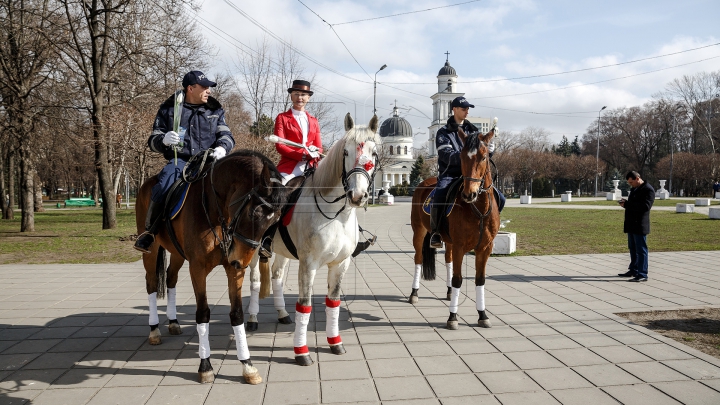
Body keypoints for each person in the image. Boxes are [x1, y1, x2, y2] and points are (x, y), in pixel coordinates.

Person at [258, 79, 372, 258]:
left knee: (340, 192)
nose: (300, 97)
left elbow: (318, 146)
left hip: (312, 166)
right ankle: (268, 237)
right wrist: (303, 154)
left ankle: (355, 235)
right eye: (296, 94)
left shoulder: (313, 120)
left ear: (308, 98)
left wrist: (315, 152)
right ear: (291, 96)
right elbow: (280, 146)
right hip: (290, 167)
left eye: (303, 95)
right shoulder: (282, 118)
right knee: (278, 195)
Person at [134, 71, 235, 253]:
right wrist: (163, 139)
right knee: (164, 184)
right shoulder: (169, 109)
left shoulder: (215, 110)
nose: (208, 91)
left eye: (209, 88)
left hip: (209, 161)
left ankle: (237, 235)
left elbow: (227, 135)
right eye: (204, 87)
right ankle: (150, 232)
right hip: (180, 161)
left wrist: (222, 148)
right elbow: (153, 140)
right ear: (190, 88)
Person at [429, 96, 504, 249]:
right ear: (454, 109)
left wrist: (489, 150)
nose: (467, 112)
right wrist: (466, 157)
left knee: (500, 198)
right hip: (450, 173)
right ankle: (436, 232)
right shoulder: (443, 132)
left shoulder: (474, 130)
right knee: (439, 194)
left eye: (468, 109)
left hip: (473, 175)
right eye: (464, 109)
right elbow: (445, 155)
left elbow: (482, 156)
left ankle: (491, 226)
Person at [617, 171, 655, 282]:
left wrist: (628, 204)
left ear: (637, 178)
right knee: (633, 248)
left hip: (640, 224)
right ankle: (634, 269)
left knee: (641, 249)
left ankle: (642, 273)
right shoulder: (634, 189)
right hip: (631, 224)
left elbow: (646, 206)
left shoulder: (648, 189)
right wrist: (625, 203)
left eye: (631, 182)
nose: (630, 184)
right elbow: (633, 205)